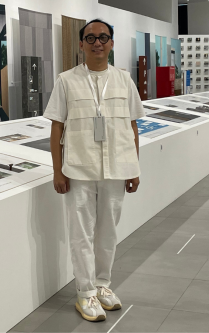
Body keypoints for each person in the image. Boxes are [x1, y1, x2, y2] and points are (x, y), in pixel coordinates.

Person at [43, 19, 145, 322]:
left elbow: (132, 126)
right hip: (79, 168)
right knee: (81, 233)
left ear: (112, 43)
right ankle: (85, 292)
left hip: (117, 167)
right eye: (90, 38)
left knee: (108, 232)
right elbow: (56, 128)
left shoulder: (124, 80)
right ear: (81, 44)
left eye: (103, 37)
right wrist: (58, 171)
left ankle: (102, 285)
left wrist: (134, 167)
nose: (97, 43)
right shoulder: (66, 80)